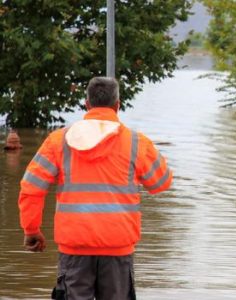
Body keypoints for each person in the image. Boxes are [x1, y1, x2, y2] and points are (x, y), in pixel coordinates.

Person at [18, 77, 172, 299]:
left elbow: (31, 188)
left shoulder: (57, 141)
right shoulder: (136, 142)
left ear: (86, 104)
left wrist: (31, 230)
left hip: (74, 247)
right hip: (118, 246)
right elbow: (161, 183)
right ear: (117, 106)